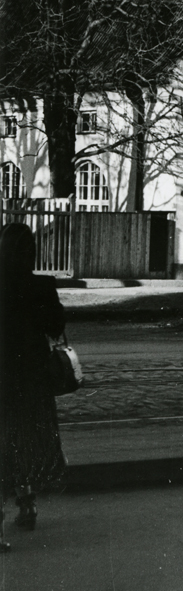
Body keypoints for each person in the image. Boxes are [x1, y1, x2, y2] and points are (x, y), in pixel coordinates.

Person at [0, 222, 67, 552]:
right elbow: (55, 326)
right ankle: (27, 505)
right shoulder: (41, 286)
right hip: (31, 377)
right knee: (23, 439)